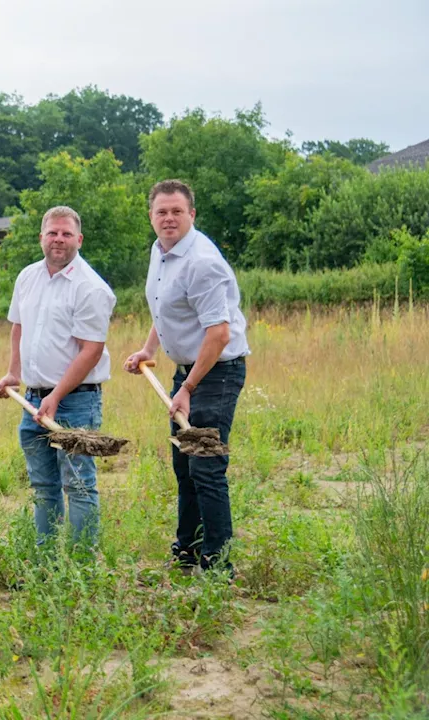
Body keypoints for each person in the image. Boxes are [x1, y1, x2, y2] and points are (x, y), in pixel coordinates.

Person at [124, 179, 250, 575]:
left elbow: (219, 333)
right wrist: (149, 349)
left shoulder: (202, 262)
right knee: (185, 465)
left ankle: (217, 564)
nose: (169, 218)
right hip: (188, 373)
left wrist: (189, 389)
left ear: (191, 215)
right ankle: (189, 551)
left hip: (216, 373)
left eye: (177, 211)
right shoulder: (160, 252)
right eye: (161, 212)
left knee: (206, 466)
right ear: (151, 217)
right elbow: (164, 308)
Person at [0, 206, 115, 548]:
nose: (58, 239)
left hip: (76, 402)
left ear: (79, 239)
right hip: (32, 399)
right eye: (52, 232)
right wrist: (14, 374)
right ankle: (45, 562)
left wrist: (57, 395)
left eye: (65, 233)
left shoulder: (90, 287)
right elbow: (18, 326)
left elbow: (91, 350)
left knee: (78, 484)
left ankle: (79, 566)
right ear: (41, 237)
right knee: (43, 486)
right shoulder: (28, 276)